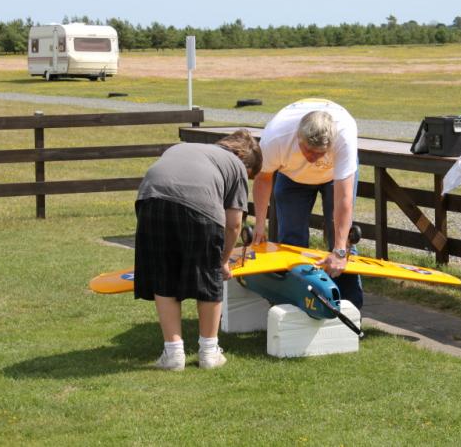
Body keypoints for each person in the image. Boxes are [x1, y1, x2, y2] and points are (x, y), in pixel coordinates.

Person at [134, 129, 262, 371]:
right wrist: (222, 262)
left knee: (164, 276)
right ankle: (209, 353)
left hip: (150, 201)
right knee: (208, 275)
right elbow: (234, 224)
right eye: (250, 176)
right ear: (243, 159)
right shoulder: (236, 165)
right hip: (200, 208)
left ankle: (173, 354)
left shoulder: (182, 147)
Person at [252, 98, 363, 309]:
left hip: (333, 177)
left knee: (342, 241)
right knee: (291, 241)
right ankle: (293, 305)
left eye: (319, 153)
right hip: (291, 175)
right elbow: (263, 178)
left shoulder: (344, 136)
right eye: (307, 150)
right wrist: (259, 225)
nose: (312, 158)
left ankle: (350, 310)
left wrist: (340, 250)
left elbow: (344, 198)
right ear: (298, 137)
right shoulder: (276, 138)